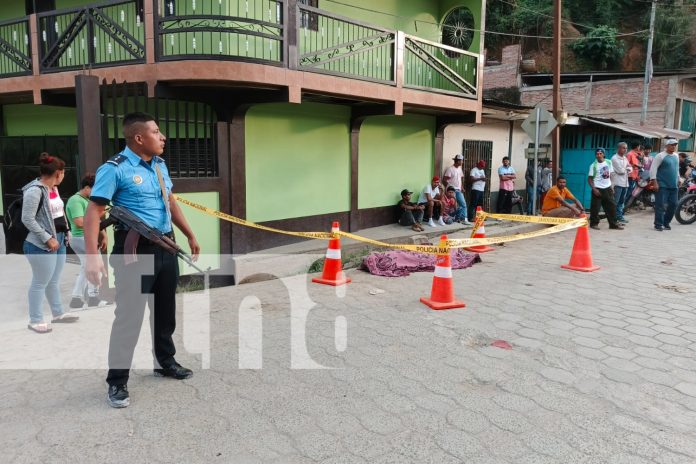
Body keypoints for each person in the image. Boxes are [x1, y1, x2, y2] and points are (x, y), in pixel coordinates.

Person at [83, 112, 201, 408]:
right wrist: (92, 258)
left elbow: (170, 202)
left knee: (165, 310)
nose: (163, 137)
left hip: (165, 245)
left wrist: (189, 234)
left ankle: (165, 362)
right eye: (156, 132)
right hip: (133, 251)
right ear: (139, 138)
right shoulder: (115, 169)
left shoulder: (160, 166)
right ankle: (117, 382)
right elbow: (94, 213)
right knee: (129, 318)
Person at [21, 153, 79, 333]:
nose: (63, 176)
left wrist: (66, 233)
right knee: (40, 282)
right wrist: (47, 238)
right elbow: (27, 219)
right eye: (63, 173)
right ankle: (35, 319)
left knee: (53, 281)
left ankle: (57, 313)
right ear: (58, 173)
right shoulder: (35, 190)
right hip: (40, 244)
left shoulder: (53, 188)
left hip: (59, 240)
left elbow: (58, 214)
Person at [65, 173, 109, 309]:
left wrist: (104, 235)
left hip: (85, 238)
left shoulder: (87, 201)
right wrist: (100, 215)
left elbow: (94, 221)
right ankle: (91, 297)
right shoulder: (76, 200)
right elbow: (79, 222)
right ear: (87, 188)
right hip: (80, 238)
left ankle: (78, 299)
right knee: (94, 266)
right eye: (94, 190)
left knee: (86, 267)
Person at [588, 148, 623, 230]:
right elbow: (589, 179)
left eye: (600, 153)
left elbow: (611, 174)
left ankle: (613, 224)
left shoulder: (608, 162)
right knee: (595, 208)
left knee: (611, 207)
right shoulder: (593, 165)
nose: (599, 155)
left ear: (603, 154)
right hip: (598, 189)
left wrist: (612, 186)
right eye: (597, 154)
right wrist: (594, 189)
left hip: (608, 188)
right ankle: (594, 224)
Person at [650, 139, 680, 231]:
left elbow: (676, 168)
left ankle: (666, 222)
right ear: (666, 146)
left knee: (674, 204)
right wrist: (655, 182)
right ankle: (658, 224)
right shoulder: (660, 156)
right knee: (660, 205)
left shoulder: (676, 156)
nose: (673, 146)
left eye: (675, 145)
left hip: (673, 185)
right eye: (671, 145)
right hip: (662, 185)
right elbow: (653, 169)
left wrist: (678, 178)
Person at [442, 154, 470, 224]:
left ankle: (461, 218)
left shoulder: (460, 169)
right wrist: (449, 189)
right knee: (457, 205)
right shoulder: (450, 169)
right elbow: (444, 180)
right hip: (453, 190)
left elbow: (460, 179)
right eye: (461, 161)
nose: (462, 162)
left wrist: (462, 187)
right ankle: (462, 219)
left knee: (461, 205)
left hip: (458, 190)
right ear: (458, 161)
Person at [610, 142, 632, 224]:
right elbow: (621, 171)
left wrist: (627, 168)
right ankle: (613, 217)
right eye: (623, 148)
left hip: (625, 183)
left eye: (626, 148)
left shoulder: (625, 158)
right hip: (617, 183)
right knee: (615, 201)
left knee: (621, 202)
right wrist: (627, 169)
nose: (625, 150)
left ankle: (619, 217)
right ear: (618, 148)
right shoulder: (614, 158)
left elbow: (630, 168)